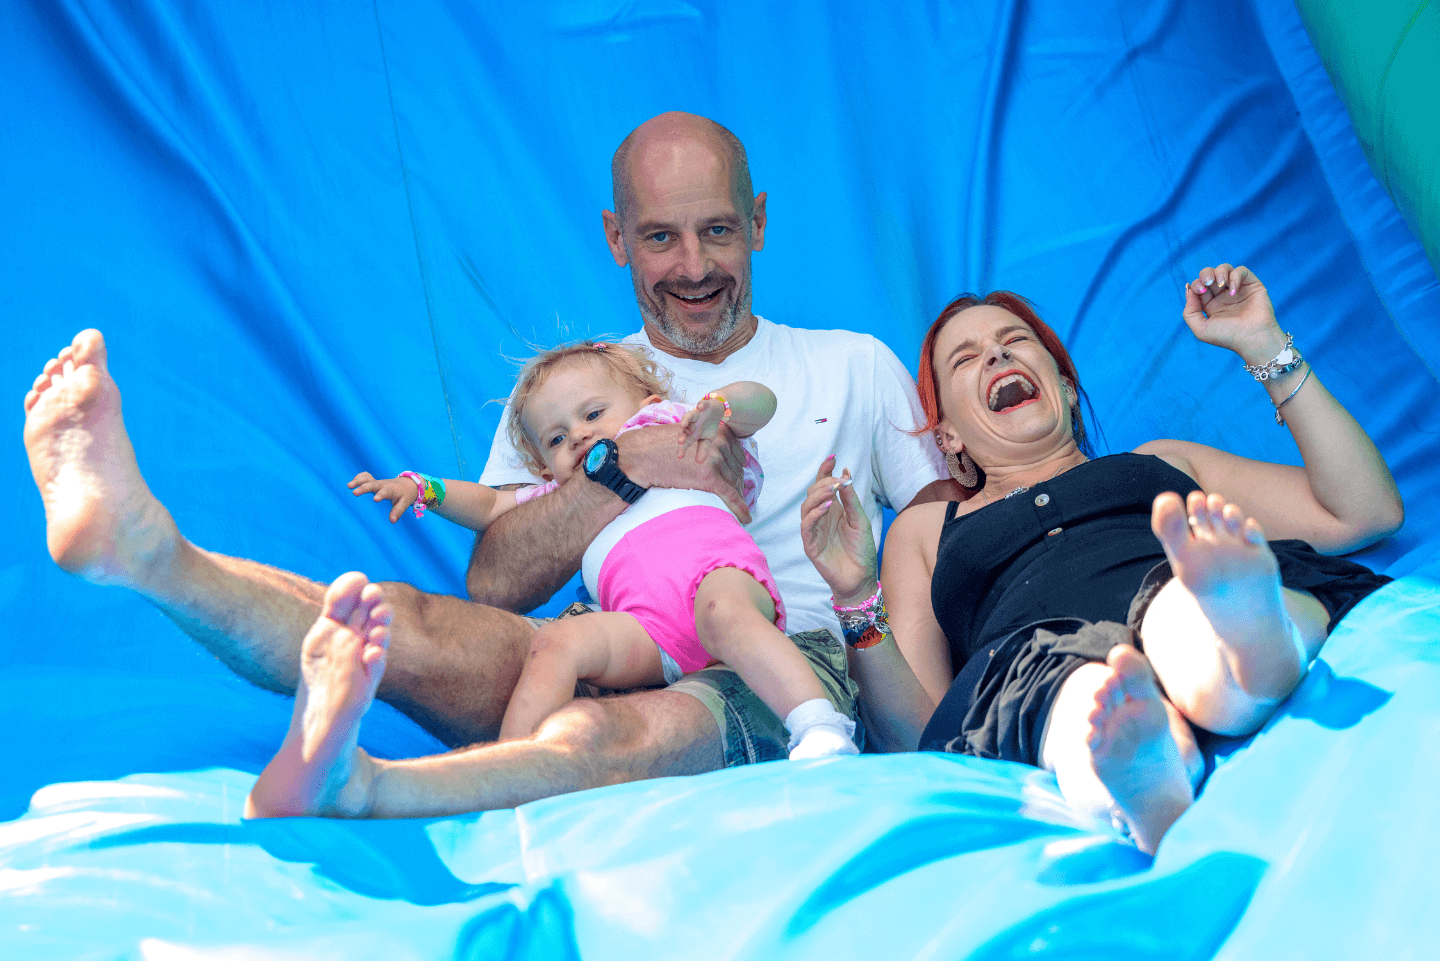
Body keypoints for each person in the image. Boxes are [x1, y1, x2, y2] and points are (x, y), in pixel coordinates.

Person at [22, 111, 948, 820]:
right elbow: (498, 577)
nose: (694, 265)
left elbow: (935, 552)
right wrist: (621, 465)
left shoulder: (853, 364)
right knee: (400, 618)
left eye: (717, 231)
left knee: (601, 731)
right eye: (661, 237)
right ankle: (149, 553)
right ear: (616, 239)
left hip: (770, 659)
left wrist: (899, 693)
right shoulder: (579, 388)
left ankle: (370, 788)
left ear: (757, 224)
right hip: (610, 631)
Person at [800, 263, 1401, 853]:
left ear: (1063, 385)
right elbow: (914, 735)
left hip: (1175, 585)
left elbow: (1365, 512)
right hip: (1037, 657)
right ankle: (1144, 777)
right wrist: (856, 596)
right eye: (966, 358)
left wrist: (1263, 345)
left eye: (1015, 342)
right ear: (949, 435)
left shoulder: (1164, 461)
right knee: (1081, 694)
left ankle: (1251, 647)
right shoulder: (926, 530)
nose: (997, 357)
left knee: (1179, 613)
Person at [347, 340, 858, 757]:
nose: (579, 435)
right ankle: (508, 766)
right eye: (556, 437)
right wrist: (424, 489)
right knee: (557, 645)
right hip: (646, 627)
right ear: (546, 466)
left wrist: (718, 407)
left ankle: (819, 726)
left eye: (593, 413)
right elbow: (486, 506)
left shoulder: (674, 430)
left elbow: (760, 404)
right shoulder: (563, 493)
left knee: (724, 616)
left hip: (718, 578)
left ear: (648, 406)